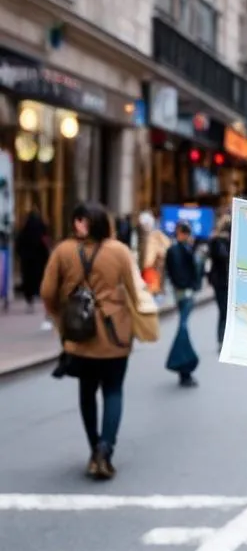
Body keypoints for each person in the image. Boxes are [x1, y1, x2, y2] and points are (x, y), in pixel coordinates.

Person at [40, 202, 139, 480]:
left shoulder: (63, 251)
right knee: (113, 390)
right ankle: (105, 450)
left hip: (79, 333)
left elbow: (47, 291)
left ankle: (94, 447)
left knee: (87, 393)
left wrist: (61, 315)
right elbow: (134, 289)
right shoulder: (119, 251)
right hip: (114, 334)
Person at [164, 221, 201, 387]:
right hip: (185, 293)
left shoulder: (175, 250)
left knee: (183, 326)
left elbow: (170, 273)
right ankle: (183, 365)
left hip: (181, 293)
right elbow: (193, 271)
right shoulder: (183, 250)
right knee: (183, 327)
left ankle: (183, 367)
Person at [15, 208, 50, 313]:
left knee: (28, 278)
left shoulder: (24, 231)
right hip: (38, 260)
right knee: (38, 277)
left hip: (27, 260)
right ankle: (37, 293)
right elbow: (45, 244)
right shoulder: (41, 230)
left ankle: (29, 296)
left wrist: (21, 255)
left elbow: (19, 245)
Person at [208, 213, 232, 346]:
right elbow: (222, 257)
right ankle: (221, 337)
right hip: (221, 281)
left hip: (224, 280)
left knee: (225, 310)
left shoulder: (221, 241)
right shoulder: (218, 241)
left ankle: (223, 337)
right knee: (223, 310)